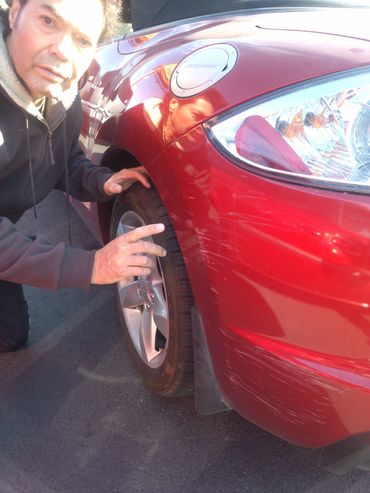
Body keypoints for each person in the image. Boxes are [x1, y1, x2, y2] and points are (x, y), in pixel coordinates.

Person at [0, 0, 167, 352]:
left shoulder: (62, 95)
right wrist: (92, 265)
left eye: (81, 40)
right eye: (48, 21)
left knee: (11, 337)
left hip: (5, 226)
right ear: (15, 12)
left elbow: (62, 157)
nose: (62, 51)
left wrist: (100, 181)